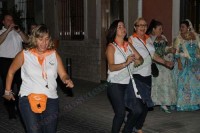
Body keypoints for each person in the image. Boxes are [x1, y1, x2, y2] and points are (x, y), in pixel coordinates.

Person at [3, 24, 74, 133]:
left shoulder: (54, 55)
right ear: (34, 39)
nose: (44, 43)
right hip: (28, 98)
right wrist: (8, 91)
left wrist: (67, 79)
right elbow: (11, 72)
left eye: (46, 39)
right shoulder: (25, 54)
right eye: (40, 39)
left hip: (50, 98)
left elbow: (63, 74)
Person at [128, 17, 173, 133]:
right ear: (135, 27)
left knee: (146, 104)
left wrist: (165, 62)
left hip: (148, 76)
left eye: (144, 25)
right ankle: (134, 126)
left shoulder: (148, 39)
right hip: (136, 75)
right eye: (140, 25)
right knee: (140, 104)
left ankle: (135, 125)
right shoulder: (131, 40)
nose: (143, 27)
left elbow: (154, 56)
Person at [106, 20, 143, 133]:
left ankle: (126, 131)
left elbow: (140, 58)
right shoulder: (111, 47)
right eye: (119, 27)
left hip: (128, 82)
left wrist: (137, 62)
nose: (123, 28)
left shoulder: (128, 44)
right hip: (115, 84)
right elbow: (111, 67)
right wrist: (126, 63)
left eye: (123, 26)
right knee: (120, 113)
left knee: (138, 110)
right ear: (114, 31)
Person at [0, 14, 29, 119]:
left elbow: (27, 41)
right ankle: (11, 111)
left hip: (19, 62)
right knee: (9, 88)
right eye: (8, 20)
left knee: (23, 85)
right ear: (3, 22)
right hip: (5, 62)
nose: (10, 21)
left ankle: (18, 105)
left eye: (11, 19)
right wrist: (8, 31)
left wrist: (19, 31)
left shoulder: (17, 33)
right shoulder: (1, 32)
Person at [146, 19, 177, 113]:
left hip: (163, 62)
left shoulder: (163, 37)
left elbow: (164, 49)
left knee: (166, 82)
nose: (161, 30)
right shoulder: (149, 39)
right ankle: (155, 102)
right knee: (156, 84)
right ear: (153, 29)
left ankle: (166, 102)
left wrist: (170, 50)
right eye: (159, 29)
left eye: (162, 29)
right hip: (155, 63)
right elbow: (152, 53)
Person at [173, 19, 200, 111]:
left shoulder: (196, 36)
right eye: (180, 27)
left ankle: (195, 103)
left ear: (188, 27)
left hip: (195, 62)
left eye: (183, 27)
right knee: (183, 84)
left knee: (194, 84)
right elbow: (176, 52)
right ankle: (182, 104)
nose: (181, 29)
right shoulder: (179, 38)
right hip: (184, 62)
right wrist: (179, 63)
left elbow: (198, 49)